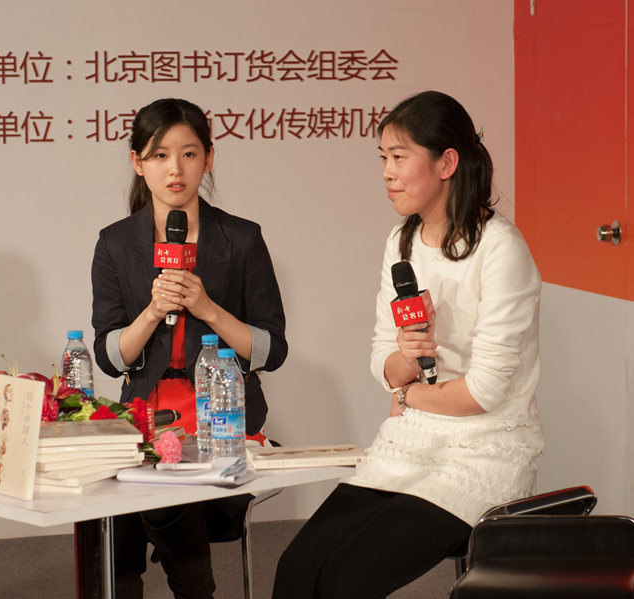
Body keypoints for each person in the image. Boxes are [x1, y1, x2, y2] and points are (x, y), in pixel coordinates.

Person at [272, 90, 544, 598]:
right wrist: (406, 359)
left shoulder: (500, 250)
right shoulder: (402, 241)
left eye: (399, 157)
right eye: (383, 159)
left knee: (346, 579)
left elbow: (482, 392)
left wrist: (406, 396)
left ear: (446, 162)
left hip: (482, 453)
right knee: (295, 568)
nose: (387, 173)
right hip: (410, 443)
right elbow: (384, 361)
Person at [88, 97, 288, 599]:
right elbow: (111, 358)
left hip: (221, 419)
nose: (174, 169)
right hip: (145, 417)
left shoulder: (241, 240)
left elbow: (271, 349)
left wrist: (209, 308)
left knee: (152, 495)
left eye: (188, 154)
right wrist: (153, 311)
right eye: (159, 156)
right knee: (104, 510)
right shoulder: (115, 244)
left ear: (209, 158)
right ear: (137, 162)